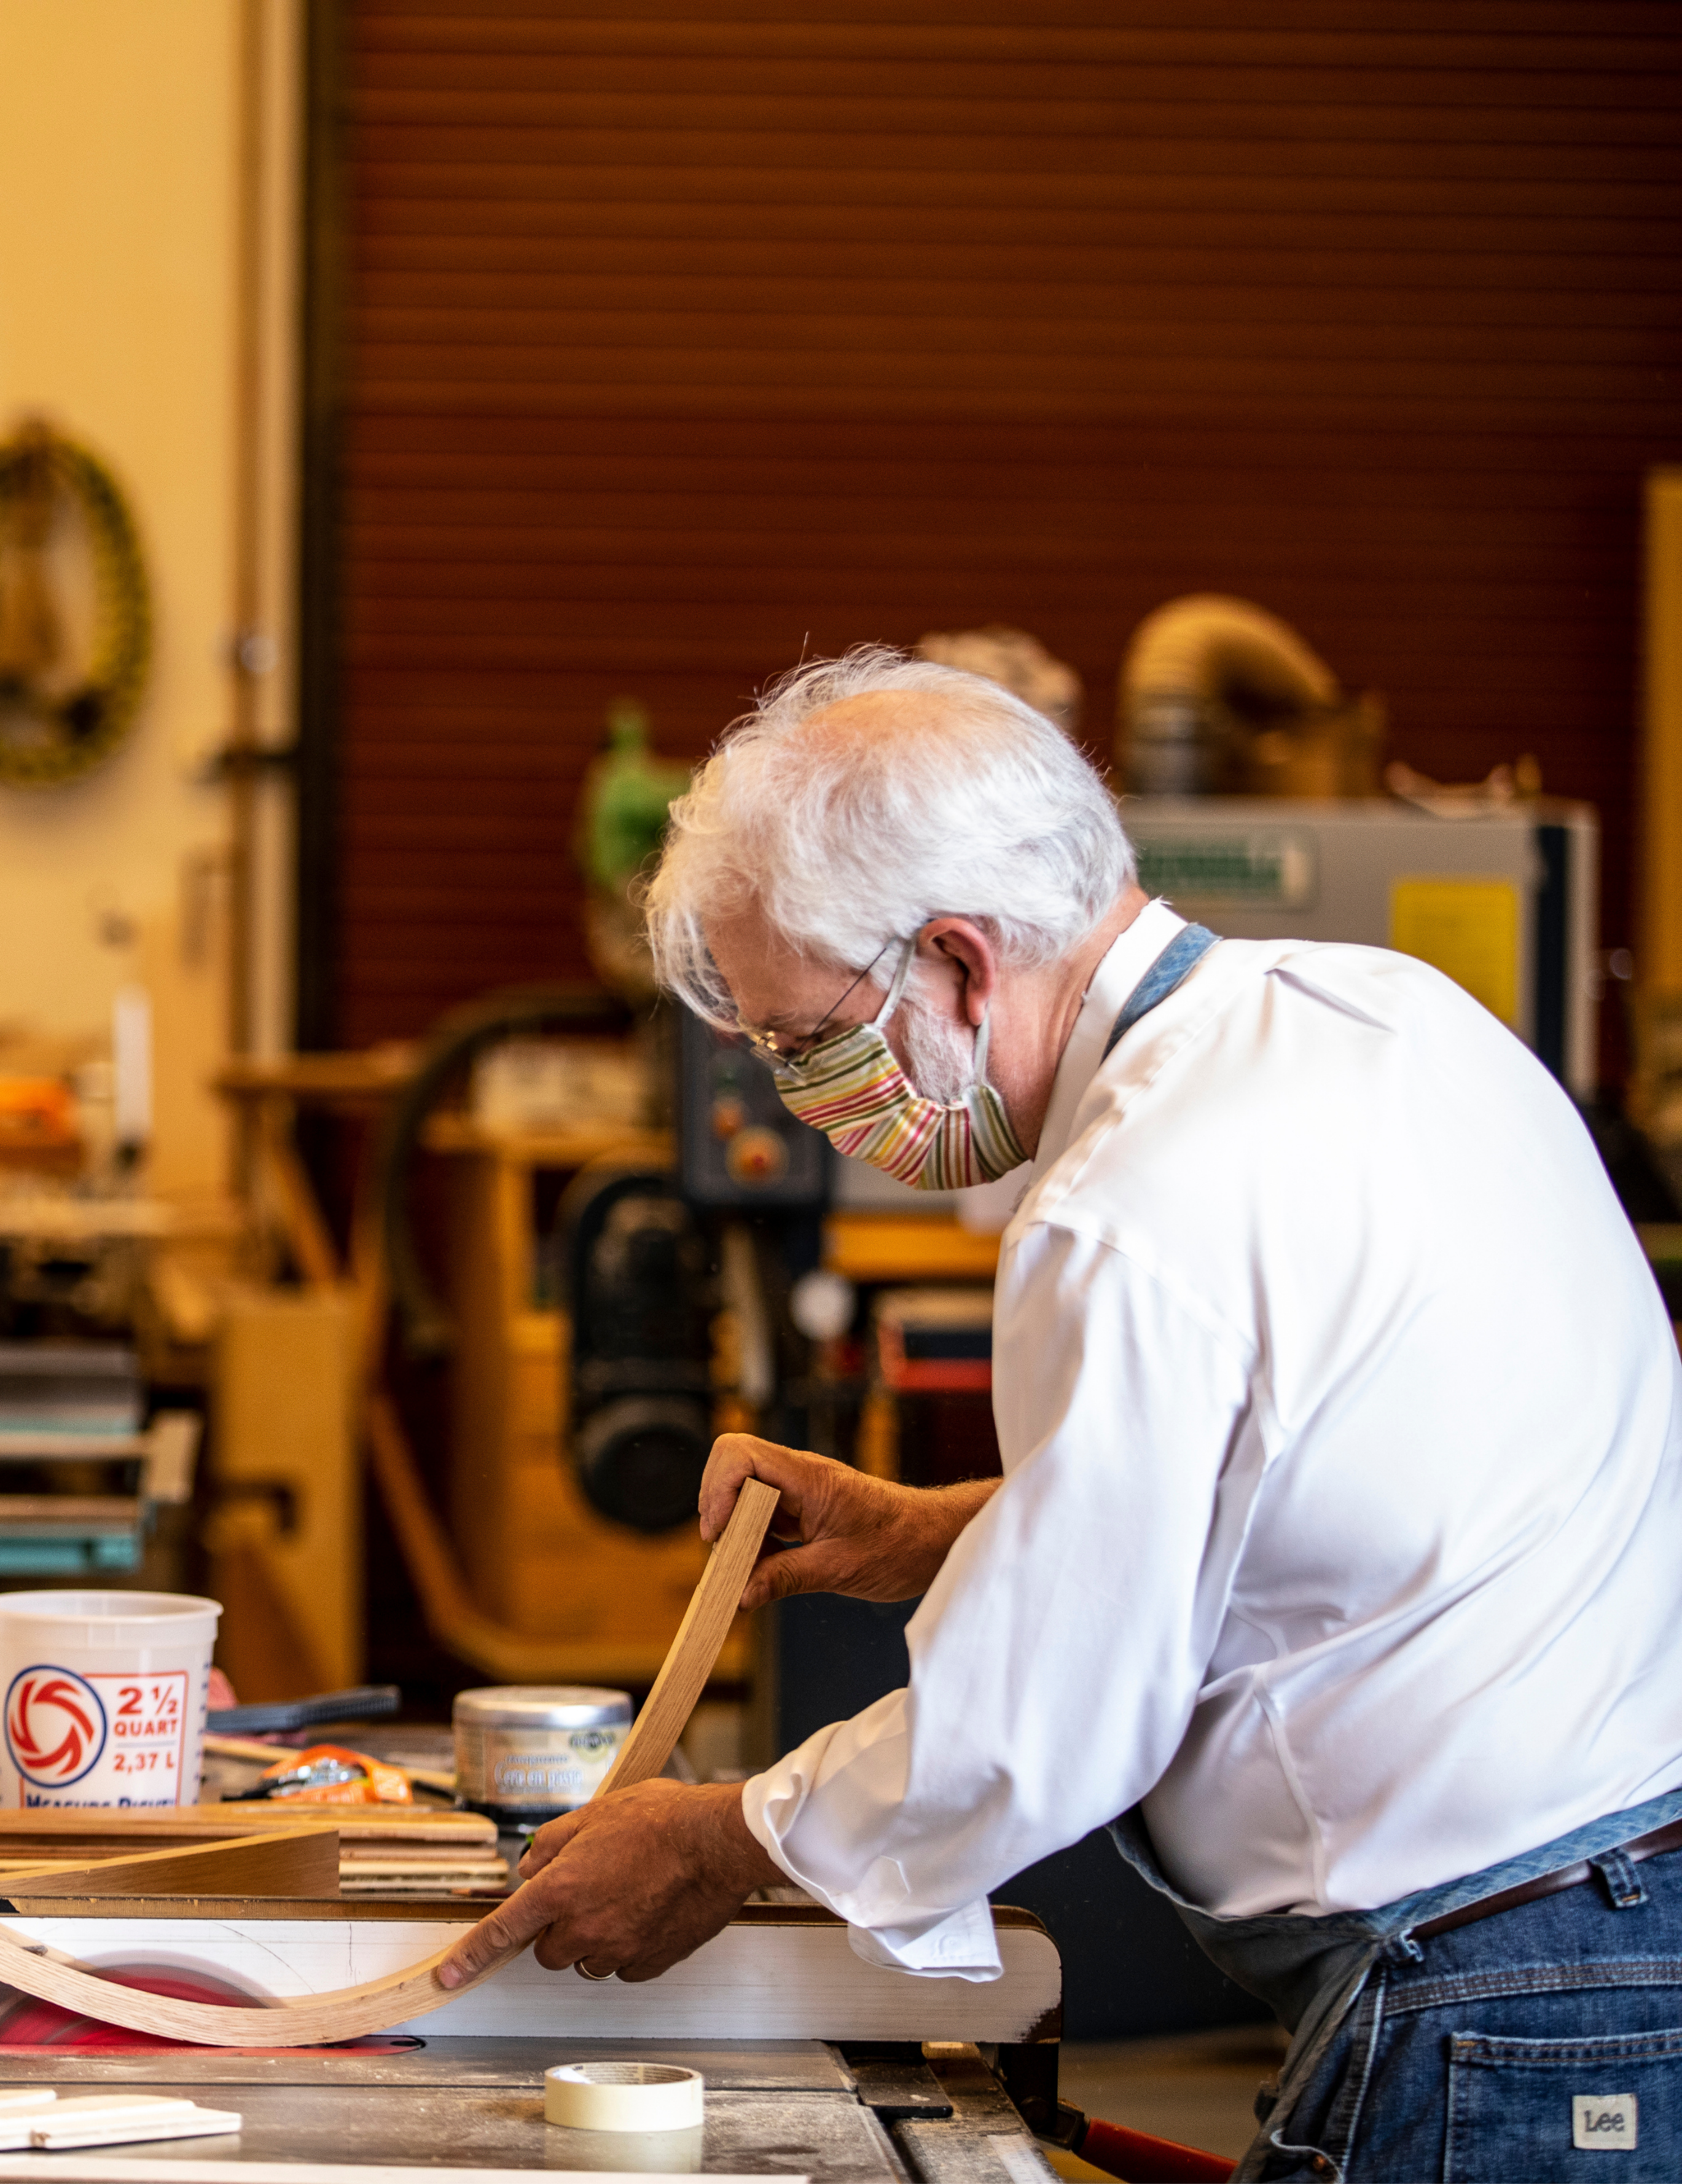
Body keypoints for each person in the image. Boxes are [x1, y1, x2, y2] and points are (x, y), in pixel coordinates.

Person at [436, 648, 1682, 2181]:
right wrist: (916, 1530)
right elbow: (1287, 1497)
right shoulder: (1385, 1019)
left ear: (957, 961)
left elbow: (1032, 1727)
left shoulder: (1122, 1206)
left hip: (1488, 1980)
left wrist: (715, 1842)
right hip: (1603, 1939)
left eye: (803, 1045)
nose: (803, 1097)